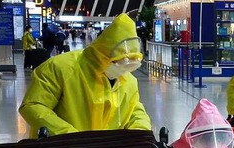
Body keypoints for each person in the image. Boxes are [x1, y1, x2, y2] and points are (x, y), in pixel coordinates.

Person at [19, 14, 151, 138]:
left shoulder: (127, 80)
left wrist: (140, 137)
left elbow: (134, 110)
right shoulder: (60, 68)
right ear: (102, 54)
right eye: (117, 61)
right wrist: (71, 137)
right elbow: (33, 105)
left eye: (127, 63)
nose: (122, 67)